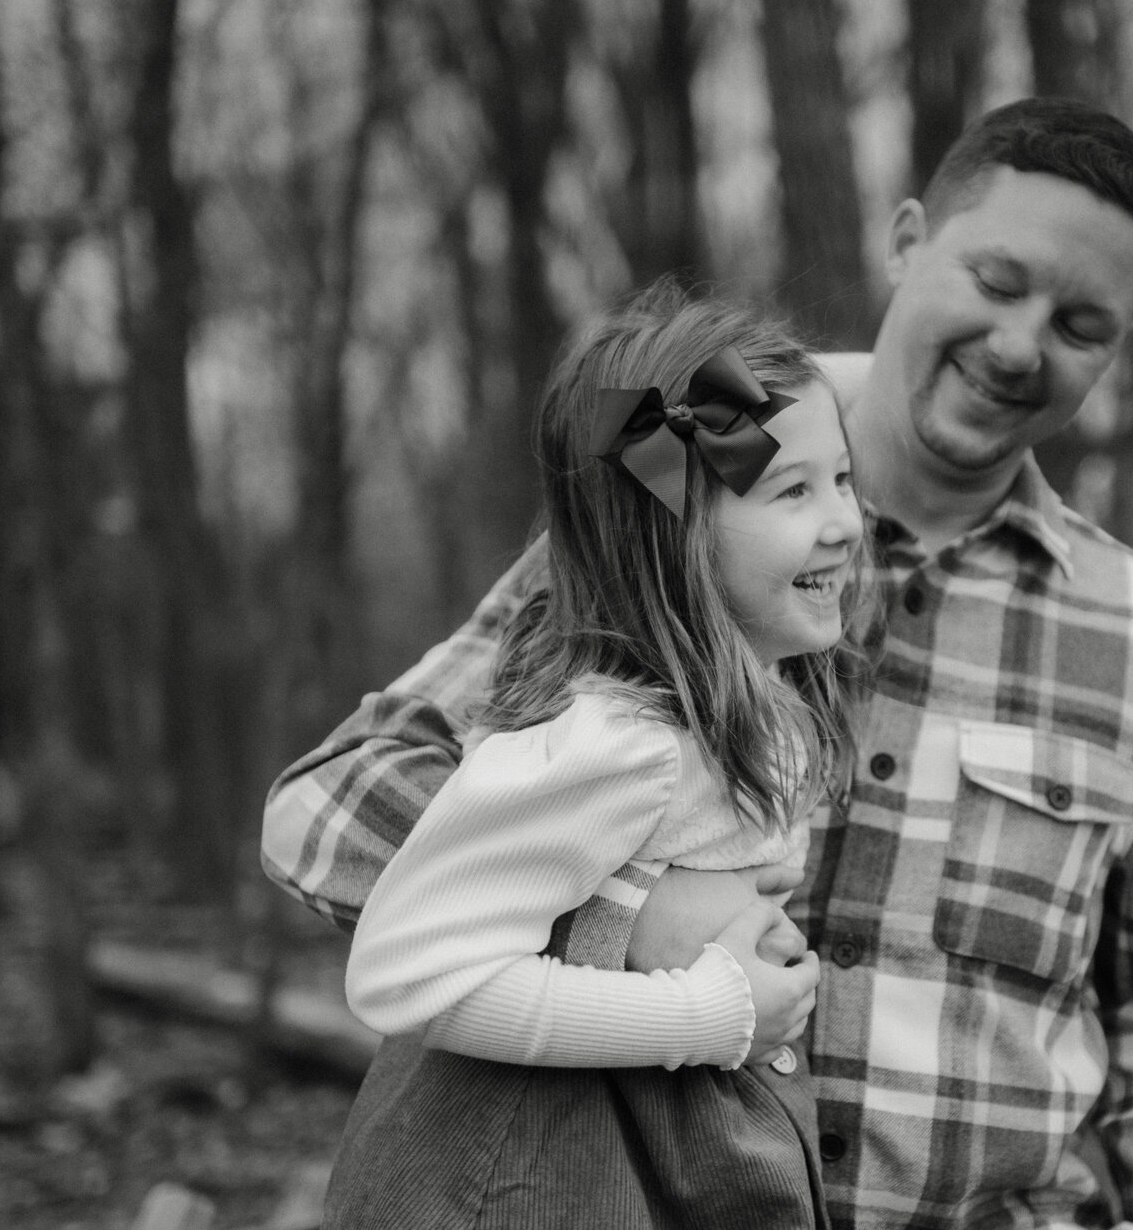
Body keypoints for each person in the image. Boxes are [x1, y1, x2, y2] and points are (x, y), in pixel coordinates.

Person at [265, 97, 1133, 1229]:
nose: (1016, 346)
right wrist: (621, 920)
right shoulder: (701, 460)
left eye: (1081, 325)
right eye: (996, 282)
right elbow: (326, 809)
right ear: (905, 241)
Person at [316, 288, 867, 1229]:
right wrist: (703, 1013)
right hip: (538, 1173)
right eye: (794, 492)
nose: (848, 523)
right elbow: (406, 972)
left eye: (844, 479)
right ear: (678, 542)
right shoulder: (623, 741)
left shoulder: (751, 711)